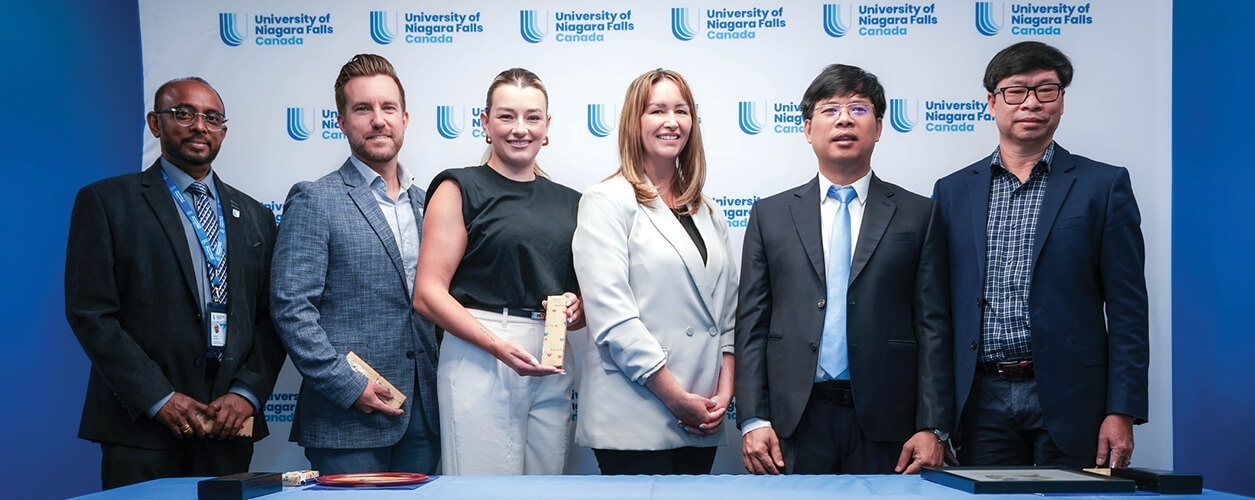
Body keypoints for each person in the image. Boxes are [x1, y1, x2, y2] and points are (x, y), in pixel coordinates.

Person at [932, 41, 1148, 469]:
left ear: (1062, 101)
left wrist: (1121, 410)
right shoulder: (952, 191)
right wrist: (936, 418)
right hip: (981, 400)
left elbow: (1128, 310)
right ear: (992, 102)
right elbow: (935, 310)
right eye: (1016, 91)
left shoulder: (1103, 186)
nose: (1031, 103)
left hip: (1073, 396)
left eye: (1045, 90)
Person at [65, 77, 285, 489]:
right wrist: (157, 397)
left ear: (223, 129)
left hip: (228, 427)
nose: (200, 126)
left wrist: (246, 394)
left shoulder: (255, 215)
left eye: (213, 117)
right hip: (139, 430)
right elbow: (91, 314)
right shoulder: (107, 203)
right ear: (155, 123)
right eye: (183, 113)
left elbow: (270, 320)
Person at [735, 64, 952, 475]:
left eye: (859, 108)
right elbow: (751, 324)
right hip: (792, 420)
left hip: (888, 420)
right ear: (807, 128)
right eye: (830, 109)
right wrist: (753, 418)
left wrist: (933, 425)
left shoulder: (918, 214)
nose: (845, 119)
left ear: (879, 127)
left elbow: (933, 326)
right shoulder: (771, 214)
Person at [270, 54, 440, 474]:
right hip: (345, 419)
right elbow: (291, 309)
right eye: (362, 109)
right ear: (342, 122)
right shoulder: (316, 199)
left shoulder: (430, 204)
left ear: (404, 117)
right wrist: (348, 386)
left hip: (423, 415)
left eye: (387, 108)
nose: (378, 120)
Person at [412, 68, 584, 475]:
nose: (520, 129)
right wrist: (496, 345)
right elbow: (427, 293)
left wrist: (577, 310)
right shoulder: (459, 188)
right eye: (506, 116)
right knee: (482, 489)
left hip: (551, 356)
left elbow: (583, 300)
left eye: (532, 117)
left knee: (546, 488)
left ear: (547, 127)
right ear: (485, 123)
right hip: (479, 354)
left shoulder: (573, 202)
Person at [571, 69, 737, 475]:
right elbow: (613, 318)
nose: (672, 121)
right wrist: (675, 396)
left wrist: (726, 390)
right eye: (657, 110)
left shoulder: (708, 211)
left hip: (703, 412)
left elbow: (729, 312)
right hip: (636, 411)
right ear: (634, 122)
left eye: (682, 111)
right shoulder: (605, 201)